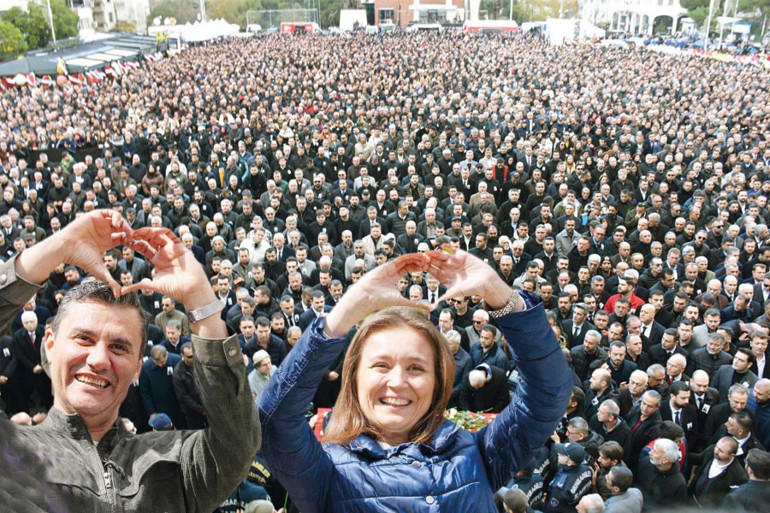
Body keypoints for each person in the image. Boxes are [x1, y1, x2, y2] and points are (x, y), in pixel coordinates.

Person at [258, 247, 572, 511]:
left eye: (416, 368)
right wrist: (348, 310)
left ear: (439, 382)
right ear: (353, 379)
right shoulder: (325, 471)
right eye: (381, 365)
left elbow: (549, 392)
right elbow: (272, 421)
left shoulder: (479, 453)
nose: (397, 382)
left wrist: (498, 292)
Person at [3, 210, 259, 510]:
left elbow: (237, 445)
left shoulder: (173, 463)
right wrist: (59, 247)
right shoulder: (10, 453)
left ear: (138, 366)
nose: (99, 360)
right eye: (84, 339)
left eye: (119, 348)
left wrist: (200, 298)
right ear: (49, 346)